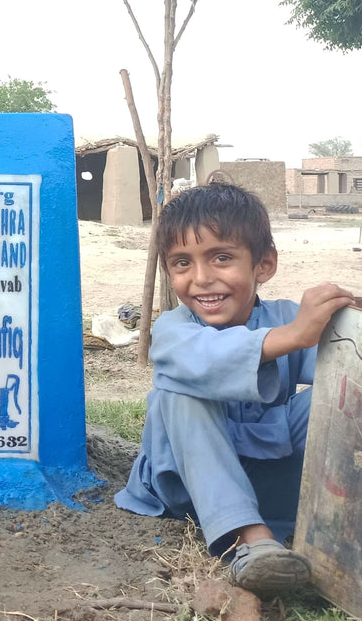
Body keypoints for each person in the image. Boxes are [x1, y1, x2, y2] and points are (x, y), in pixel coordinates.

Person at [115, 182, 355, 596]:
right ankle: (250, 539)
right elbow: (200, 360)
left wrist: (347, 325)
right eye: (181, 263)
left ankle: (333, 517)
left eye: (221, 258)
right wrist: (295, 335)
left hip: (268, 473)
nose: (202, 279)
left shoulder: (283, 318)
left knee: (336, 395)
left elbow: (343, 369)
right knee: (178, 392)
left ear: (263, 265)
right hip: (189, 489)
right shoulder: (173, 329)